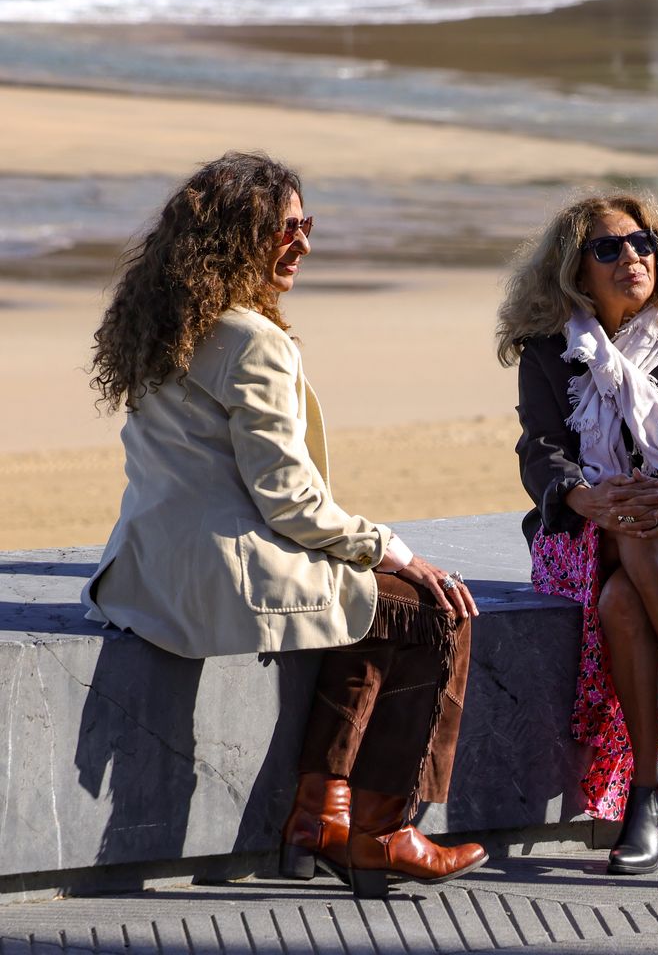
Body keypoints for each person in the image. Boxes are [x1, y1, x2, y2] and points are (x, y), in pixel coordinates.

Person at [82, 152, 488, 899]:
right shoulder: (251, 339)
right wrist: (392, 543)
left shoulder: (163, 321)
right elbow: (291, 502)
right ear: (236, 237)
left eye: (307, 226)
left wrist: (371, 559)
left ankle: (321, 812)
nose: (302, 244)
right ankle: (380, 830)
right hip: (221, 575)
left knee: (371, 603)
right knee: (434, 609)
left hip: (145, 570)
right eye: (285, 229)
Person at [496, 192, 658, 876]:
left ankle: (647, 795)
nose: (632, 257)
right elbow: (540, 451)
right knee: (628, 519)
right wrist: (587, 496)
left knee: (625, 592)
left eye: (643, 243)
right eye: (608, 248)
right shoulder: (551, 351)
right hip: (575, 535)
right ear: (576, 271)